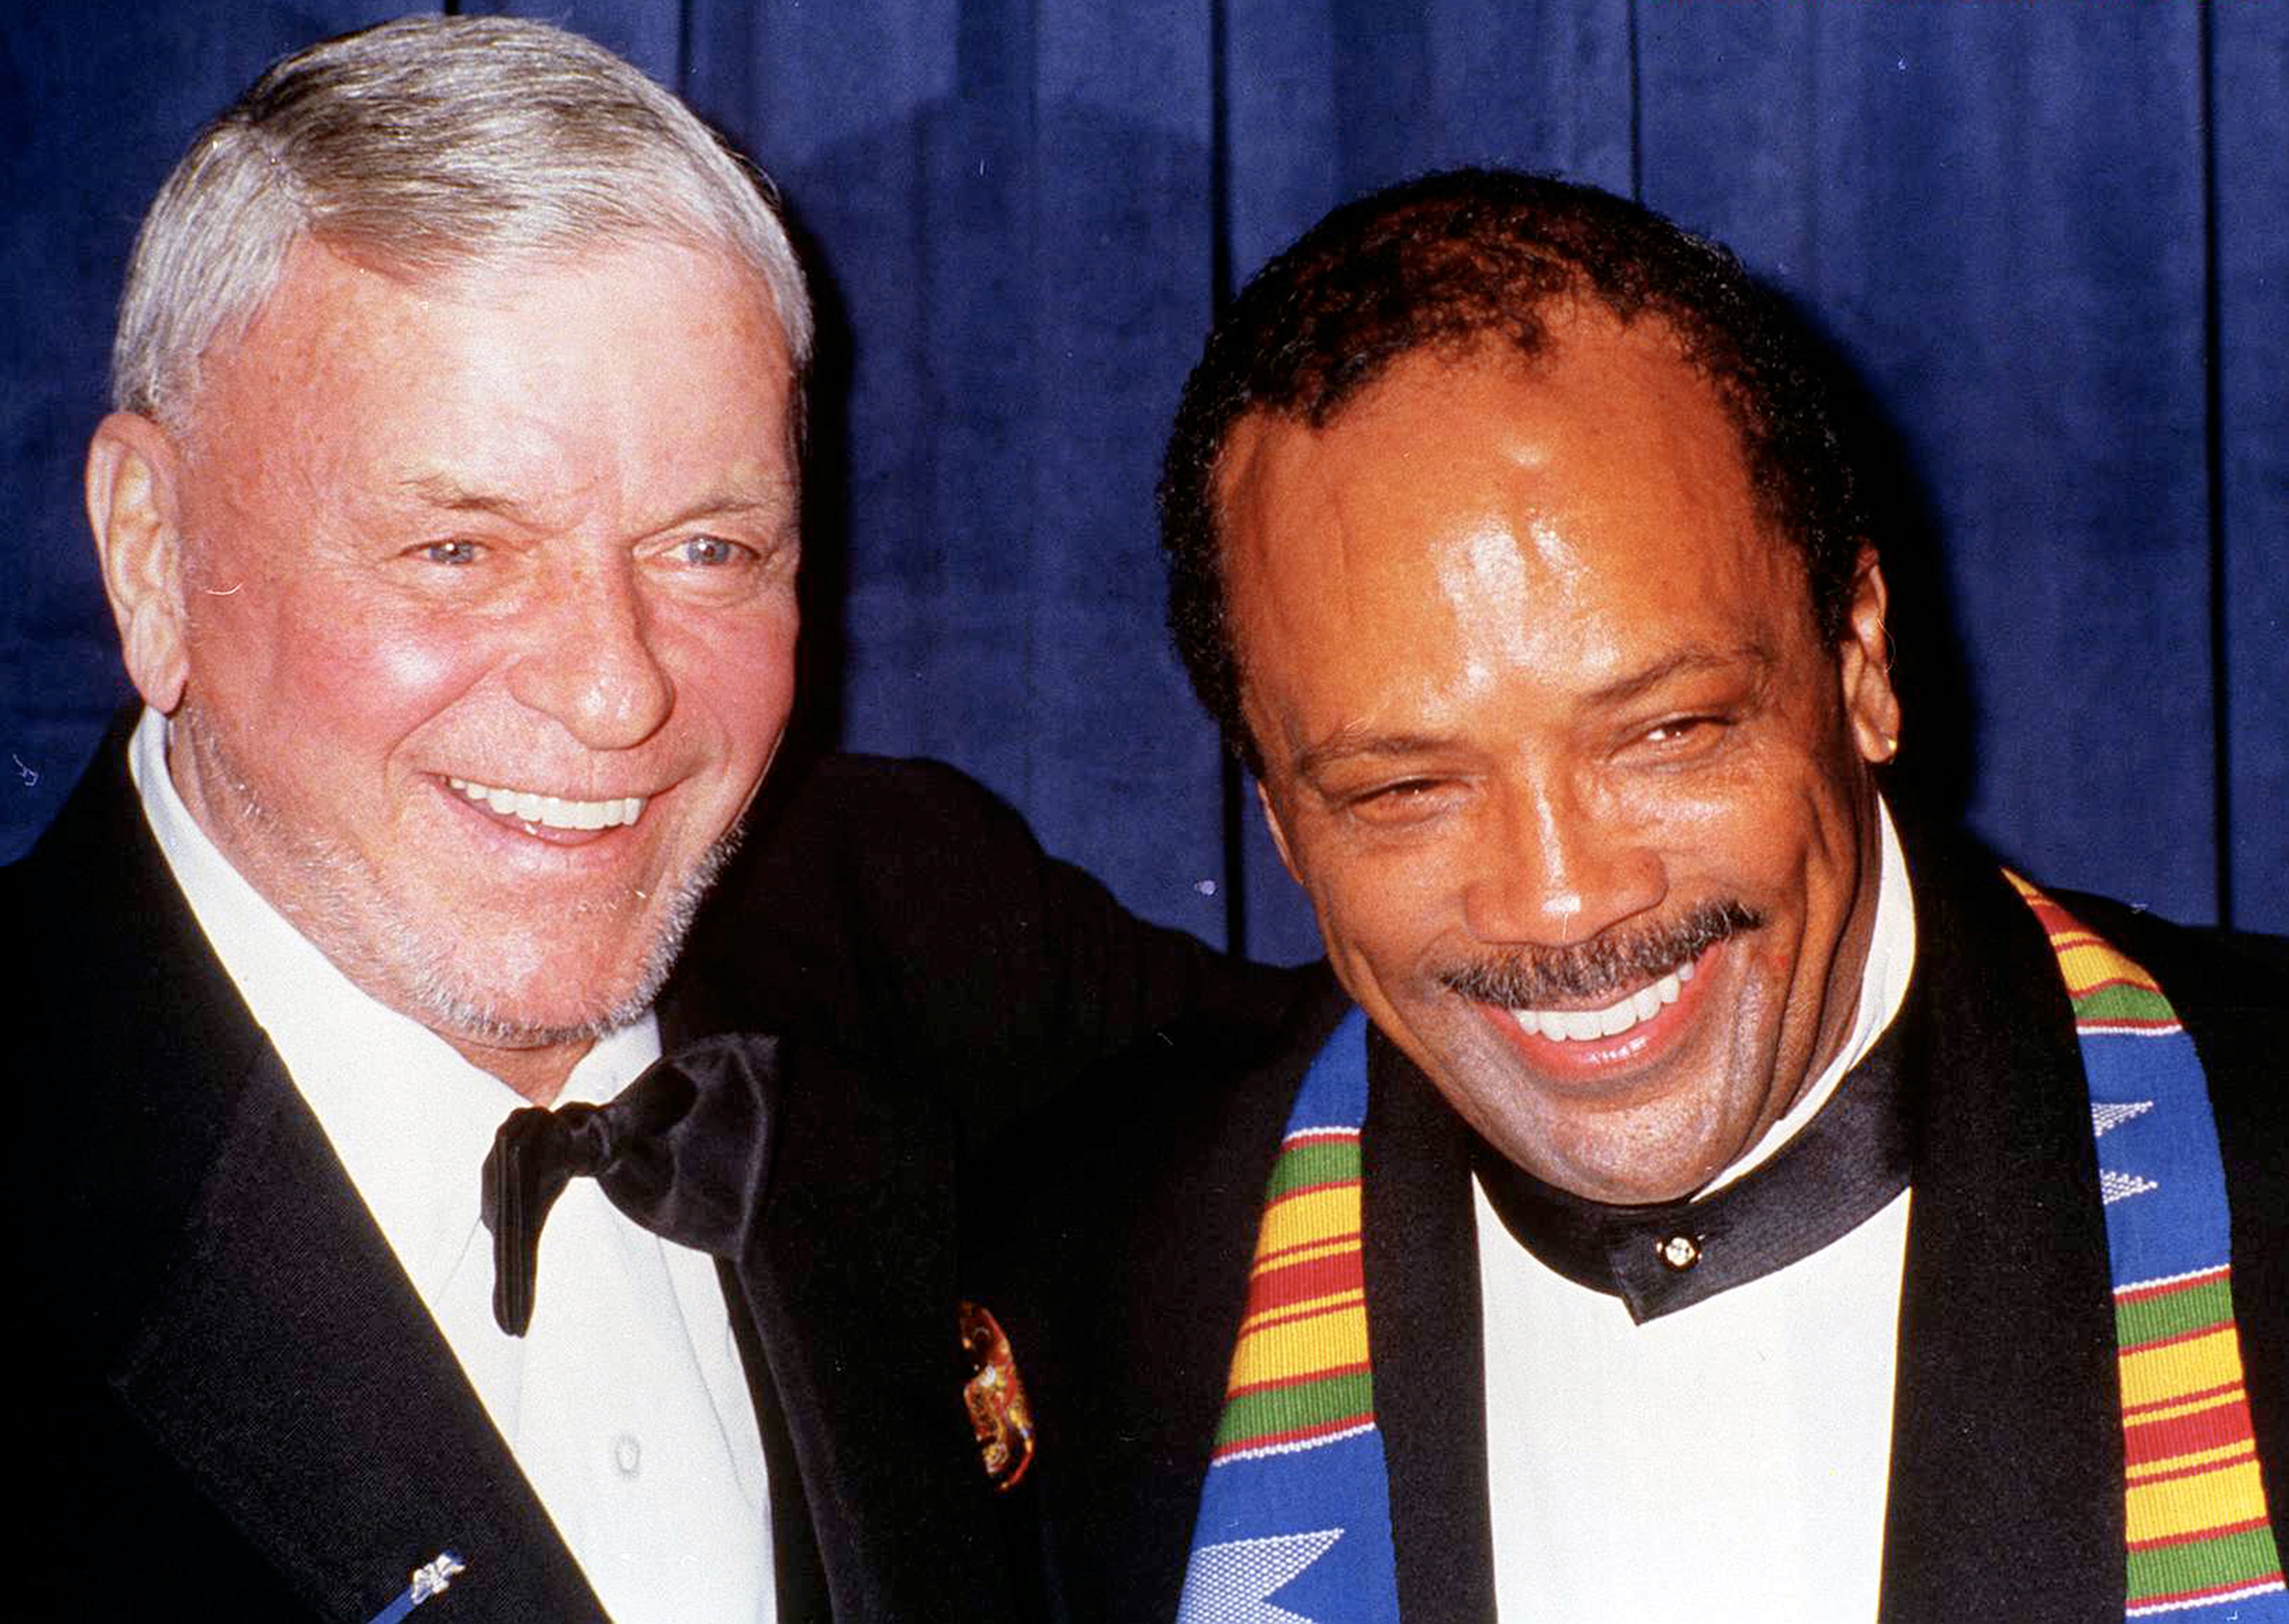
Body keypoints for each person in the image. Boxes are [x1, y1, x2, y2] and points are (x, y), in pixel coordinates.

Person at [3, 16, 1287, 1622]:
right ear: (151, 553)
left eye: (707, 551)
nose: (616, 693)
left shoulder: (901, 915)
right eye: (459, 550)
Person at [995, 170, 2288, 1623]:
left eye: (1665, 731)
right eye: (1403, 789)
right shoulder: (1097, 1291)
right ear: (1279, 819)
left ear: (1859, 659)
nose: (1559, 902)